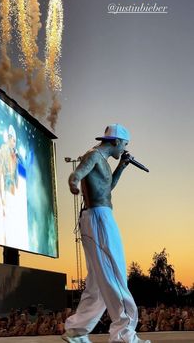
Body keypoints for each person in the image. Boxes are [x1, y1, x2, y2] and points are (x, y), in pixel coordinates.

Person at [62, 124, 151, 343]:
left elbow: (106, 188)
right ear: (116, 142)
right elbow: (77, 174)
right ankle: (124, 335)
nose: (124, 149)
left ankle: (76, 332)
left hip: (98, 217)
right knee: (114, 274)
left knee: (98, 281)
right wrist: (73, 183)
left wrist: (122, 166)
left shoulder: (102, 160)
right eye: (124, 145)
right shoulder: (93, 155)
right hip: (98, 218)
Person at [0, 124, 18, 245]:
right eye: (14, 140)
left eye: (16, 141)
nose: (15, 143)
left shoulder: (12, 153)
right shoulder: (4, 149)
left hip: (11, 192)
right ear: (9, 138)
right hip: (6, 191)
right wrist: (2, 199)